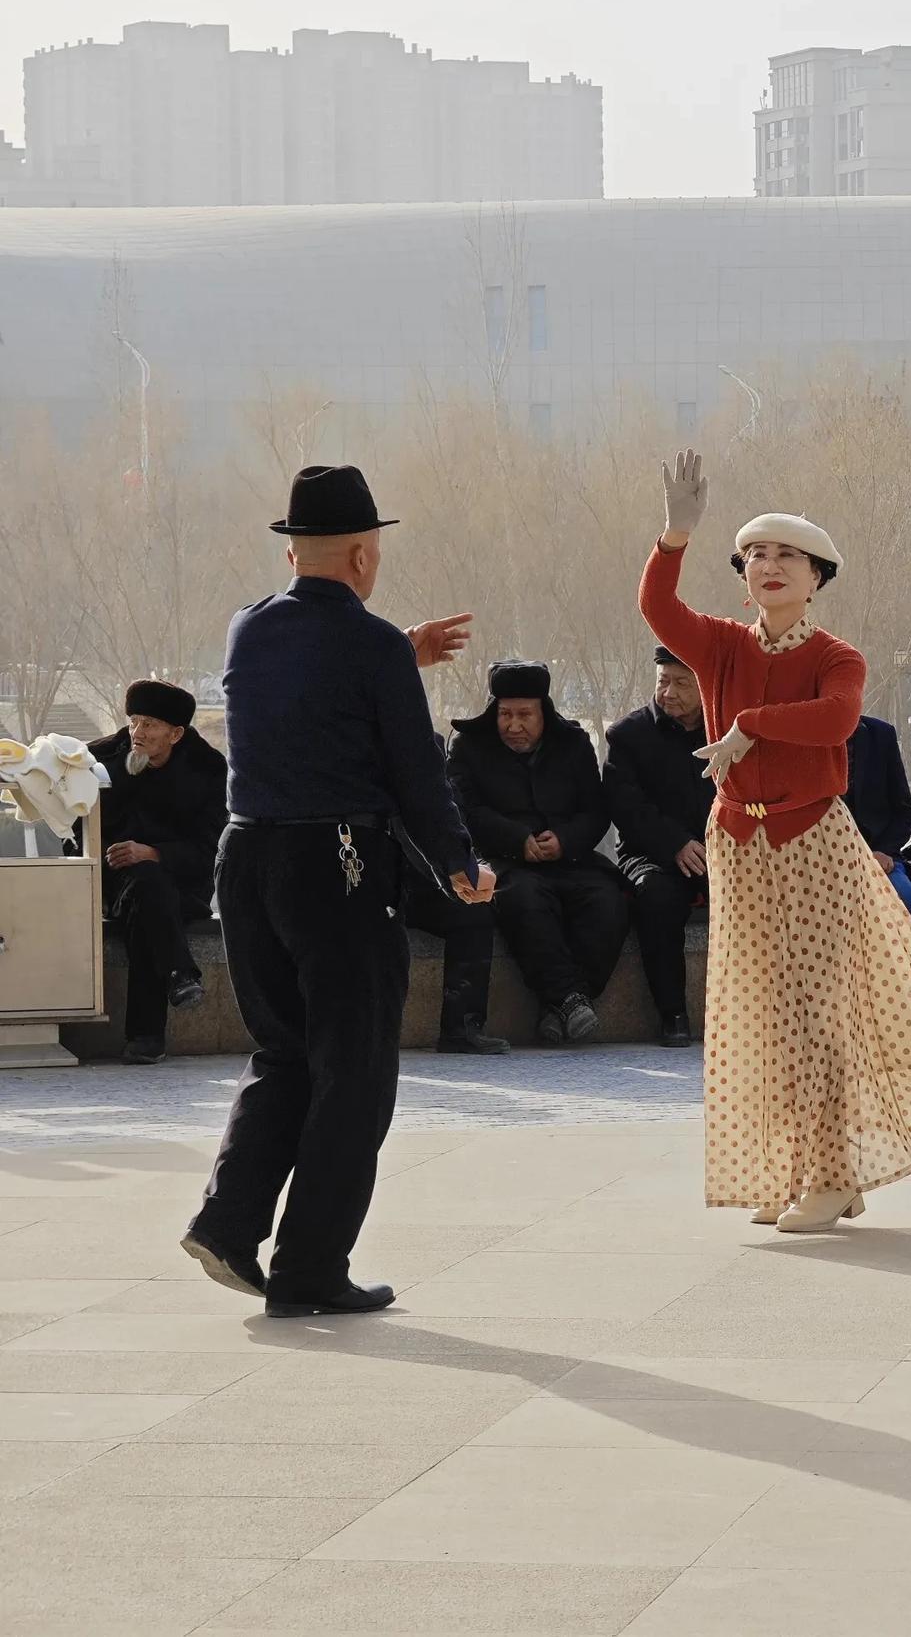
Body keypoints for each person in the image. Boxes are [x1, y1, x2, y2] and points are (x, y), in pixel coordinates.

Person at [639, 449, 911, 1232]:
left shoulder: (835, 656)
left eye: (787, 554)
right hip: (738, 845)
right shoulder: (720, 644)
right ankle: (794, 1169)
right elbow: (659, 611)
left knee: (822, 1013)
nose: (768, 564)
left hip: (814, 842)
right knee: (759, 1011)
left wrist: (748, 727)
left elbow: (838, 721)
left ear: (817, 576)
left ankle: (832, 1172)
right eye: (754, 554)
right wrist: (675, 535)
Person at [182, 464, 493, 1317]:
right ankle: (311, 1268)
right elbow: (413, 773)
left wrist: (401, 653)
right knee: (354, 1072)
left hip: (246, 860)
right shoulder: (374, 645)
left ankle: (227, 1221)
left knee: (284, 1053)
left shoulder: (248, 630)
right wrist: (460, 864)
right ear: (364, 555)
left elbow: (314, 691)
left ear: (293, 552)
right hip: (339, 864)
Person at [447, 659, 630, 1044]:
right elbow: (466, 810)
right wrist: (516, 839)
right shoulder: (468, 746)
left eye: (525, 715)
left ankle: (559, 1005)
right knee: (523, 899)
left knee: (609, 901)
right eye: (506, 715)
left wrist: (565, 839)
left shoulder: (574, 743)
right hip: (505, 861)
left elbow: (596, 809)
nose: (514, 726)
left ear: (543, 711)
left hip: (570, 858)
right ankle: (569, 1000)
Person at [86, 680, 227, 1065]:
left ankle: (147, 1038)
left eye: (149, 724)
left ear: (176, 733)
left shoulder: (208, 769)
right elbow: (73, 828)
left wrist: (154, 853)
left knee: (151, 887)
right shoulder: (99, 759)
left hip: (182, 885)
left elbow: (210, 847)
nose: (137, 733)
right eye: (134, 721)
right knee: (147, 893)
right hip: (113, 882)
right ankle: (179, 976)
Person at [604, 644, 717, 1046]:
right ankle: (672, 1014)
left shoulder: (725, 730)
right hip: (651, 852)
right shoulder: (628, 735)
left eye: (682, 683)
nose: (669, 692)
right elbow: (626, 806)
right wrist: (674, 843)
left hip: (719, 850)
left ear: (705, 687)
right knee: (656, 898)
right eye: (663, 681)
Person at [403, 734, 510, 1055]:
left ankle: (462, 1026)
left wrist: (469, 869)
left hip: (421, 882)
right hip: (362, 879)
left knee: (474, 911)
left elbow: (451, 824)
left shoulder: (430, 749)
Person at [843, 715, 911, 924]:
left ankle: (908, 957)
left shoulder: (880, 735)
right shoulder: (800, 738)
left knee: (903, 898)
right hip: (819, 858)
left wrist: (883, 851)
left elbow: (903, 811)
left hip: (878, 855)